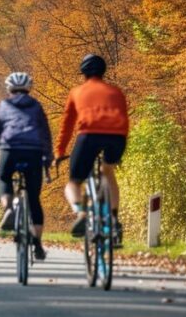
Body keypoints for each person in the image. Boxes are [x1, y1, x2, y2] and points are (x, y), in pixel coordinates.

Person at [54, 54, 129, 242]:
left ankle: (81, 213)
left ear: (83, 73)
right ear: (104, 71)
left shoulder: (77, 92)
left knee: (74, 182)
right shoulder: (116, 91)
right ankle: (112, 220)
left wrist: (59, 152)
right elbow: (125, 119)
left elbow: (67, 126)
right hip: (117, 136)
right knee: (107, 171)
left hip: (89, 135)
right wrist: (120, 146)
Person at [0, 72, 53, 261]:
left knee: (4, 177)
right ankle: (37, 245)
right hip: (33, 152)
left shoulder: (4, 106)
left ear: (9, 89)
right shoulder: (37, 107)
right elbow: (46, 134)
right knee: (34, 199)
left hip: (9, 149)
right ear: (28, 88)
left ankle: (8, 208)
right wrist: (47, 159)